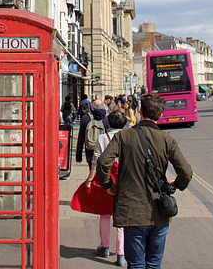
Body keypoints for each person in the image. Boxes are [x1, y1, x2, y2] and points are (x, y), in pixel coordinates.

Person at [96, 94, 193, 269]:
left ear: (140, 112)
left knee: (136, 264)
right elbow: (186, 172)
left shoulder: (123, 137)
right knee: (154, 264)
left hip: (132, 211)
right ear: (161, 115)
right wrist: (175, 185)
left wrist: (108, 185)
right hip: (159, 210)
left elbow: (103, 162)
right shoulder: (167, 140)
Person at [84, 110, 127, 266]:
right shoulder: (128, 136)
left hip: (106, 177)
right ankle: (121, 254)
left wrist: (89, 179)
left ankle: (105, 246)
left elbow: (96, 162)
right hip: (123, 178)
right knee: (120, 216)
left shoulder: (102, 138)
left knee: (105, 214)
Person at [76, 99, 110, 168]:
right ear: (103, 107)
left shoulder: (86, 118)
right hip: (104, 150)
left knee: (92, 171)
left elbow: (81, 137)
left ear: (92, 107)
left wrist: (78, 156)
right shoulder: (107, 118)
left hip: (90, 151)